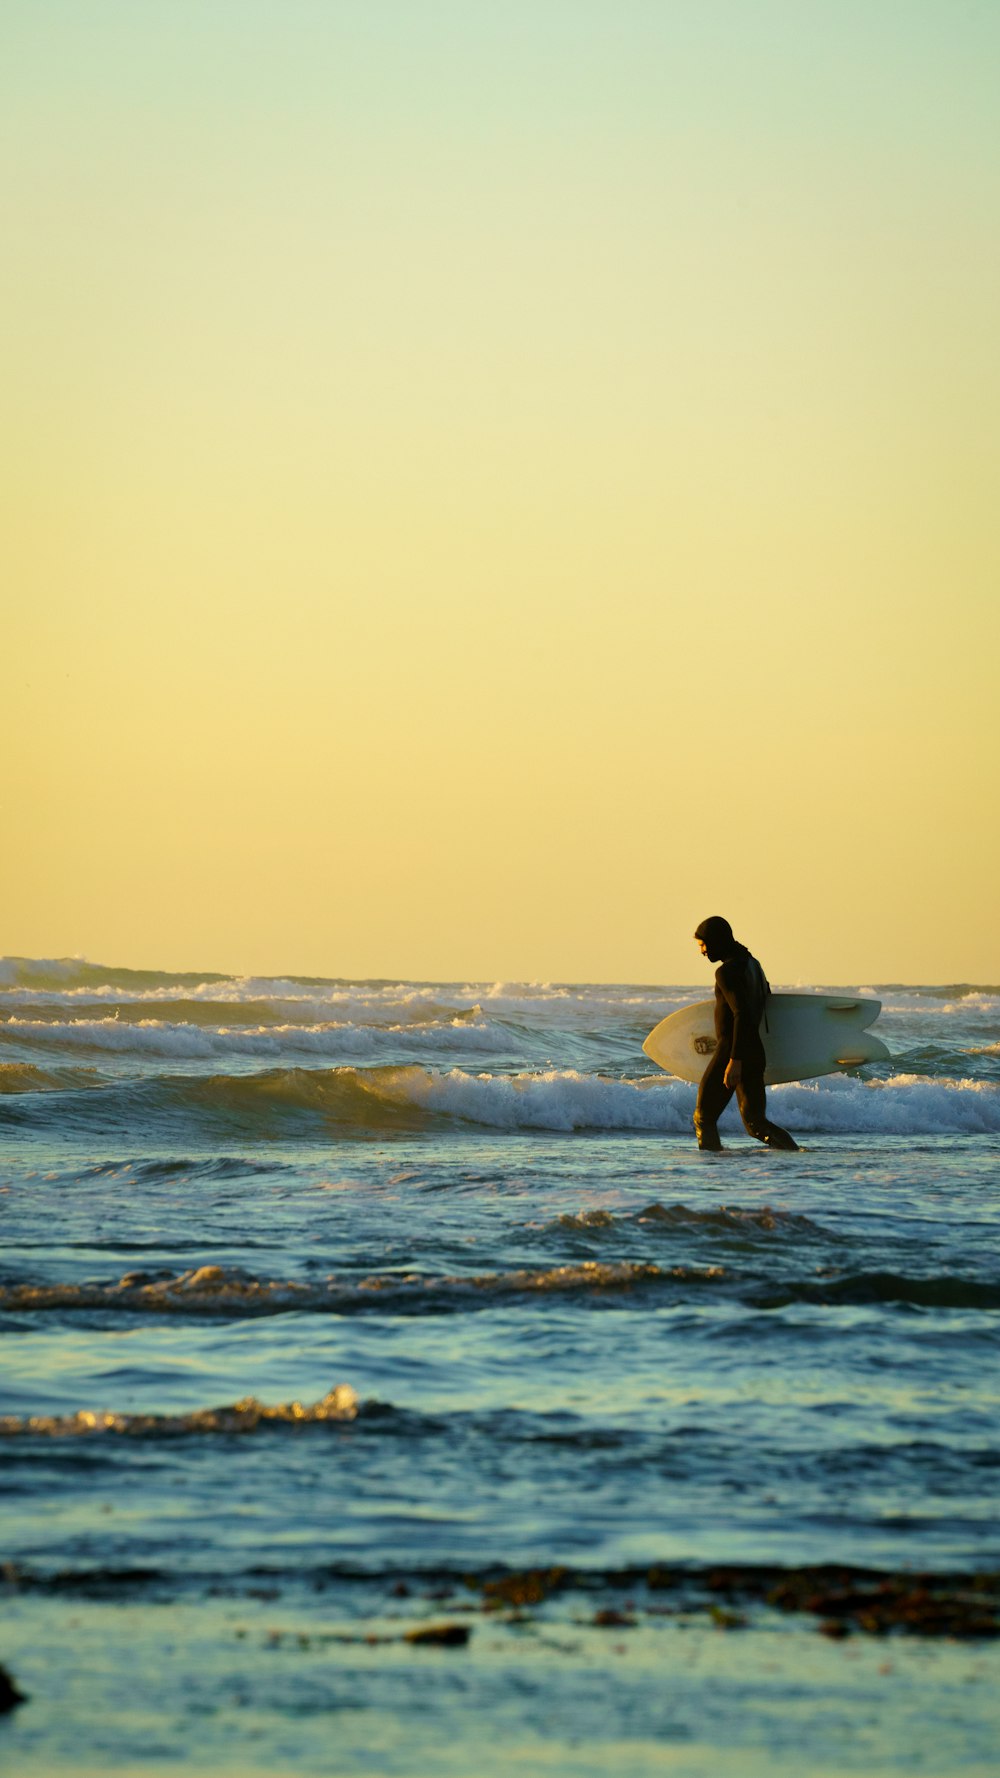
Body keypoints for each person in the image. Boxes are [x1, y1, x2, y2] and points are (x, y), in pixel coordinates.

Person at [692, 915, 799, 1152]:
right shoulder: (753, 965)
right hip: (753, 1051)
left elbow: (742, 1013)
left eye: (703, 944)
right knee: (755, 1123)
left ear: (716, 941)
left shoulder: (726, 972)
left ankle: (711, 1167)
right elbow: (764, 999)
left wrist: (734, 1060)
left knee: (703, 1117)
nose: (701, 951)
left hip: (731, 1052)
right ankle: (796, 1154)